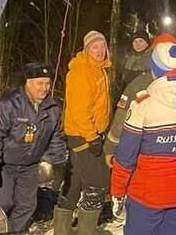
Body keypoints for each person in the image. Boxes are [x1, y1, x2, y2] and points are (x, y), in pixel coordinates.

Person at [111, 37, 176, 235]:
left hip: (148, 194)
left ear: (156, 70)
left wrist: (118, 191)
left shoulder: (143, 105)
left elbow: (126, 156)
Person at [0, 62, 68, 233]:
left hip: (30, 166)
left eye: (47, 83)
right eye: (39, 83)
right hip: (5, 166)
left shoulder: (53, 108)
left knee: (27, 206)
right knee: (3, 204)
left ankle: (14, 231)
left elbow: (56, 138)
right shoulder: (9, 104)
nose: (44, 88)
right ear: (28, 83)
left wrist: (59, 163)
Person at [58, 30, 114, 235]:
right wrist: (92, 137)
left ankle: (61, 230)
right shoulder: (82, 71)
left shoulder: (99, 70)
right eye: (94, 47)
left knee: (76, 184)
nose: (99, 51)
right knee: (97, 183)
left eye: (102, 46)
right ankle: (86, 231)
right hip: (83, 135)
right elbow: (79, 110)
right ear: (86, 49)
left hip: (90, 133)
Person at [107, 33, 176, 161]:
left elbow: (122, 116)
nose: (138, 44)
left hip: (147, 141)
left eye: (141, 41)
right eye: (135, 41)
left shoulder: (146, 78)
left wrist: (110, 147)